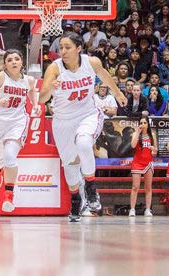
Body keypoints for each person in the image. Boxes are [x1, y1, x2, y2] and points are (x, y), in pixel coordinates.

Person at [39, 32, 126, 221]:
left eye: (67, 47)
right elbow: (42, 98)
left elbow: (105, 77)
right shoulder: (54, 68)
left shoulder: (91, 62)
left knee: (84, 143)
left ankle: (91, 188)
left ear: (79, 48)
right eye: (61, 47)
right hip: (62, 121)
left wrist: (118, 93)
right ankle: (76, 200)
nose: (63, 51)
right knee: (70, 166)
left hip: (87, 114)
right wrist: (52, 87)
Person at [0, 49, 37, 213]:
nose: (13, 62)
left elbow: (32, 91)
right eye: (9, 60)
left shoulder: (29, 80)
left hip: (17, 122)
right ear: (5, 64)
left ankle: (8, 196)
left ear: (22, 62)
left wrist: (35, 105)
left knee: (10, 157)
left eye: (16, 59)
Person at [129, 116, 157, 217]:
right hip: (137, 162)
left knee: (148, 187)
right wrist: (137, 132)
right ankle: (132, 209)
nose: (143, 125)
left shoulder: (152, 135)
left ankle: (148, 209)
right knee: (135, 187)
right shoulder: (135, 134)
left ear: (148, 124)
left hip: (148, 163)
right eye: (141, 123)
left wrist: (153, 149)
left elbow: (155, 151)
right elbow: (133, 145)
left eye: (145, 123)